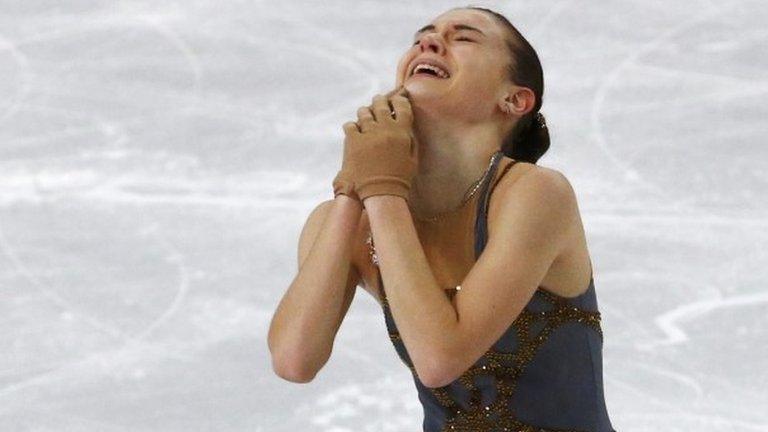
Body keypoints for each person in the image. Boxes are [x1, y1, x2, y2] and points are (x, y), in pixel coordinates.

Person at [268, 6, 616, 432]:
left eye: (464, 37)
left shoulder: (534, 194)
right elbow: (294, 360)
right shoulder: (357, 218)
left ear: (515, 99)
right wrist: (352, 193)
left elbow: (439, 359)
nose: (428, 42)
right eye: (423, 36)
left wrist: (382, 185)